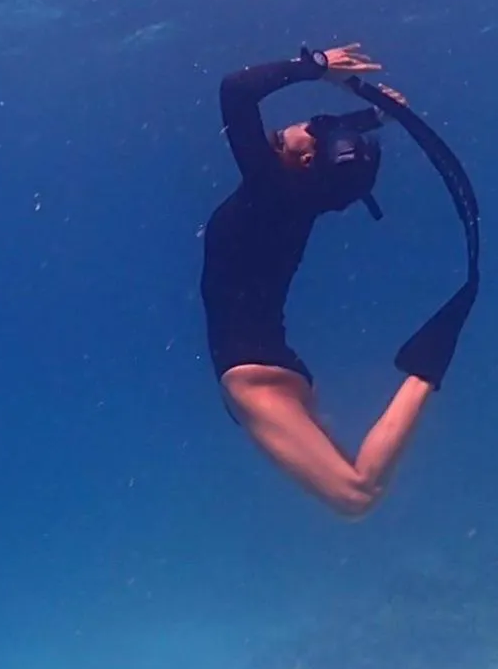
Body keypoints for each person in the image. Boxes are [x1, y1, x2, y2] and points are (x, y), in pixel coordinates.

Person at [201, 42, 477, 518]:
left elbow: (236, 91)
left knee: (357, 494)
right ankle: (425, 368)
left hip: (256, 378)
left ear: (307, 159)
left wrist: (317, 67)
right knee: (351, 488)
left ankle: (426, 368)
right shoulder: (297, 197)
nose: (306, 121)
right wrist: (372, 118)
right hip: (264, 371)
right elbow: (328, 155)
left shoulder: (273, 190)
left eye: (313, 128)